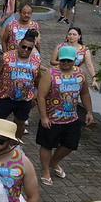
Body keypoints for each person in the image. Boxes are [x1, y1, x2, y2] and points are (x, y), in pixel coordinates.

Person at [36, 46, 95, 186]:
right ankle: (45, 170)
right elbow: (41, 96)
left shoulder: (80, 74)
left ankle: (54, 162)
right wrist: (44, 117)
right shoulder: (50, 74)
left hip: (71, 118)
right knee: (47, 145)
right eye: (63, 61)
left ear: (74, 60)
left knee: (70, 144)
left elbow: (85, 93)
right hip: (52, 119)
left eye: (69, 61)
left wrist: (89, 111)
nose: (66, 63)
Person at [0, 30, 41, 139]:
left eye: (29, 48)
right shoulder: (6, 57)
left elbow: (38, 79)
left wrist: (38, 95)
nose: (26, 50)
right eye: (24, 47)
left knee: (20, 122)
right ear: (19, 45)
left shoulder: (36, 61)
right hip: (5, 97)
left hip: (24, 99)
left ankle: (16, 143)